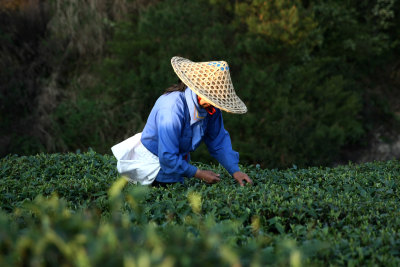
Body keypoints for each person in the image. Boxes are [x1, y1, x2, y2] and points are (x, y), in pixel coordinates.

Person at [111, 56, 252, 187]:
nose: (216, 103)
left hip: (177, 165)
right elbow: (167, 156)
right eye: (214, 98)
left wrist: (235, 170)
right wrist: (199, 173)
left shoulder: (211, 108)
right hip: (152, 166)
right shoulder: (172, 108)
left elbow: (218, 140)